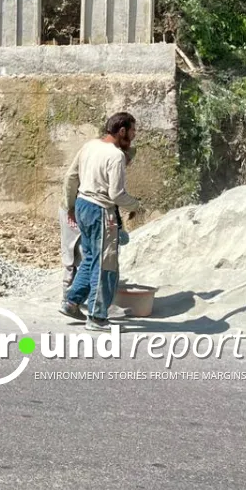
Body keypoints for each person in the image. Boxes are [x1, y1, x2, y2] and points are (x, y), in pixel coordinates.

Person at [60, 112, 141, 332]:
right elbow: (116, 194)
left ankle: (71, 302)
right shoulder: (115, 157)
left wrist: (70, 206)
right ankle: (97, 317)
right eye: (132, 131)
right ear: (121, 131)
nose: (134, 136)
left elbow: (70, 176)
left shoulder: (90, 146)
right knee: (105, 264)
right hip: (101, 210)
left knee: (90, 259)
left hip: (82, 205)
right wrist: (136, 205)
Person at [58, 146, 134, 301]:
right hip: (78, 209)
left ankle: (72, 301)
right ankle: (80, 301)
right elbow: (71, 179)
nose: (128, 163)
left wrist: (118, 228)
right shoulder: (104, 161)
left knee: (90, 256)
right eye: (127, 159)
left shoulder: (105, 163)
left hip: (81, 208)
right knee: (83, 255)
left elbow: (112, 203)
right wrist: (70, 207)